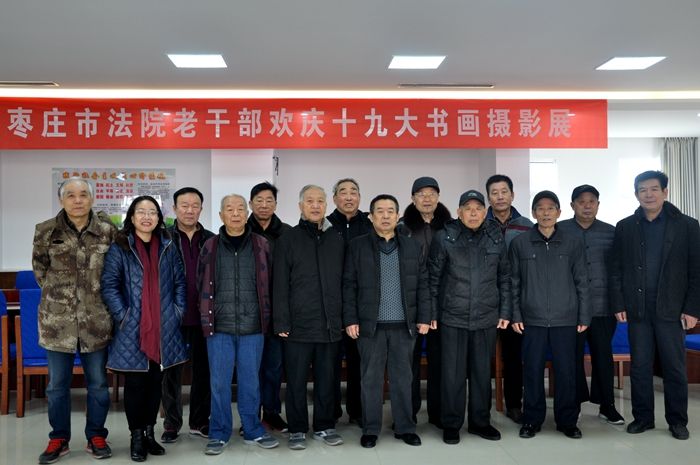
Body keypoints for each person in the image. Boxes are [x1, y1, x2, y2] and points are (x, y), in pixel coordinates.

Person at [610, 170, 700, 440]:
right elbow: (616, 269)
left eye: (653, 189)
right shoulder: (625, 226)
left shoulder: (687, 225)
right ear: (635, 194)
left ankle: (677, 421)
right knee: (640, 366)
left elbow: (696, 270)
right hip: (637, 308)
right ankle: (643, 418)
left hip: (673, 309)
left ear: (665, 192)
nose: (648, 194)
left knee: (674, 367)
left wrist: (693, 309)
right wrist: (619, 302)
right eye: (642, 190)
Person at [32, 177, 117, 464]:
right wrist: (63, 298)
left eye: (83, 195)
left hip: (96, 321)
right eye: (71, 195)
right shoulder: (46, 230)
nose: (77, 200)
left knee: (98, 384)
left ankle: (96, 435)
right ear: (61, 199)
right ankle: (59, 438)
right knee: (57, 385)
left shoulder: (107, 230)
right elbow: (40, 271)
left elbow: (114, 271)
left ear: (92, 199)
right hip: (57, 324)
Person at [101, 196, 187, 462]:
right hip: (133, 328)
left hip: (164, 327)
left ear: (159, 218)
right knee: (136, 384)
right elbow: (109, 286)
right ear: (132, 217)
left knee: (155, 383)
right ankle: (136, 436)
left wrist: (176, 312)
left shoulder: (168, 246)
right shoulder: (120, 247)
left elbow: (180, 283)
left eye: (152, 212)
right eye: (141, 212)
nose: (147, 217)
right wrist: (124, 316)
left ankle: (150, 434)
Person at [343, 194, 430, 448]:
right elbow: (348, 285)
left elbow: (423, 284)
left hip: (404, 326)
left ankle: (405, 428)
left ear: (397, 215)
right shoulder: (358, 246)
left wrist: (424, 317)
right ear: (371, 216)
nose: (385, 216)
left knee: (403, 379)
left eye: (390, 211)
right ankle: (370, 429)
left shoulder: (412, 246)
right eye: (379, 211)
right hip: (370, 326)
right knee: (370, 380)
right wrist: (350, 319)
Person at [197, 194, 279, 455]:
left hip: (253, 326)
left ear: (247, 213)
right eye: (229, 209)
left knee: (250, 381)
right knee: (219, 383)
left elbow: (271, 283)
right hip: (219, 326)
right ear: (221, 215)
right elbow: (200, 283)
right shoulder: (210, 246)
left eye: (240, 209)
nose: (235, 214)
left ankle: (252, 428)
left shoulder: (261, 245)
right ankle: (219, 432)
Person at [429, 190, 511, 445]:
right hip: (452, 316)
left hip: (486, 317)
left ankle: (480, 422)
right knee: (452, 375)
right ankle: (451, 424)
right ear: (459, 212)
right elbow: (433, 279)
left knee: (481, 373)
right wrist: (432, 313)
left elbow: (505, 278)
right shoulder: (445, 237)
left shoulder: (496, 238)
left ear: (485, 213)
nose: (473, 213)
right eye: (468, 208)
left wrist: (505, 311)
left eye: (478, 209)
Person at [510, 191, 590, 439]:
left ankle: (567, 421)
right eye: (540, 209)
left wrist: (583, 316)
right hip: (531, 319)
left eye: (551, 208)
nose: (546, 213)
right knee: (532, 371)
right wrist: (516, 315)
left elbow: (582, 281)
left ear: (559, 212)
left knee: (566, 372)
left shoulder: (572, 243)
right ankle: (531, 420)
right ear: (533, 213)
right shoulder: (520, 243)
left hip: (565, 318)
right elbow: (513, 283)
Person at [273, 185, 345, 450]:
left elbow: (346, 282)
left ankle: (325, 425)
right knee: (296, 381)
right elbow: (280, 283)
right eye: (310, 201)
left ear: (327, 205)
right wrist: (281, 321)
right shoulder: (288, 239)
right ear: (300, 206)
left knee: (327, 379)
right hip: (298, 325)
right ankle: (297, 428)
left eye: (320, 201)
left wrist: (343, 318)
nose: (315, 206)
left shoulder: (336, 238)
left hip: (330, 324)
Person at [558, 185, 624, 424]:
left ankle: (607, 405)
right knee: (572, 357)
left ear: (598, 204)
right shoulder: (560, 230)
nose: (587, 206)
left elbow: (618, 270)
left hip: (602, 306)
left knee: (603, 356)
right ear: (572, 205)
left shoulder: (611, 232)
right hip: (571, 309)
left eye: (592, 201)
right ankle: (573, 404)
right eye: (581, 201)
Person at [160, 187, 215, 443]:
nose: (190, 210)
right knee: (171, 372)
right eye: (184, 205)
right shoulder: (163, 238)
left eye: (195, 206)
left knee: (204, 372)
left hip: (205, 317)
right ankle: (171, 423)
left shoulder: (212, 239)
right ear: (174, 208)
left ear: (201, 209)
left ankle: (200, 421)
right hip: (173, 316)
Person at [399, 176, 451, 427]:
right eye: (421, 194)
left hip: (442, 303)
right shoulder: (402, 228)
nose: (427, 198)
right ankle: (407, 413)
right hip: (410, 303)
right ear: (412, 198)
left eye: (431, 193)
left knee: (439, 361)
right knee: (407, 362)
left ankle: (438, 413)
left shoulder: (451, 227)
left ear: (438, 197)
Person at [485, 174, 533, 424]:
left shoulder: (526, 226)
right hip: (485, 299)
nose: (500, 197)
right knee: (480, 357)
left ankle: (514, 405)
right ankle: (480, 408)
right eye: (494, 193)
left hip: (515, 300)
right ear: (489, 198)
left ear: (512, 195)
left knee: (514, 356)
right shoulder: (479, 223)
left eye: (504, 192)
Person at [327, 178, 373, 426]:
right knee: (330, 362)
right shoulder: (325, 225)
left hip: (361, 303)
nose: (348, 196)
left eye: (353, 192)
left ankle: (358, 410)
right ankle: (331, 411)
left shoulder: (369, 224)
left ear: (359, 197)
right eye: (342, 192)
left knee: (359, 361)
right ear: (334, 198)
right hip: (331, 304)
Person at [247, 182, 292, 432]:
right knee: (251, 369)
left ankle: (272, 413)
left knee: (274, 367)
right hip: (249, 313)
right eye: (259, 200)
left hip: (277, 312)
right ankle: (251, 416)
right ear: (250, 203)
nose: (264, 205)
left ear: (276, 204)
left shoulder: (287, 233)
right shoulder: (241, 231)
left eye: (269, 200)